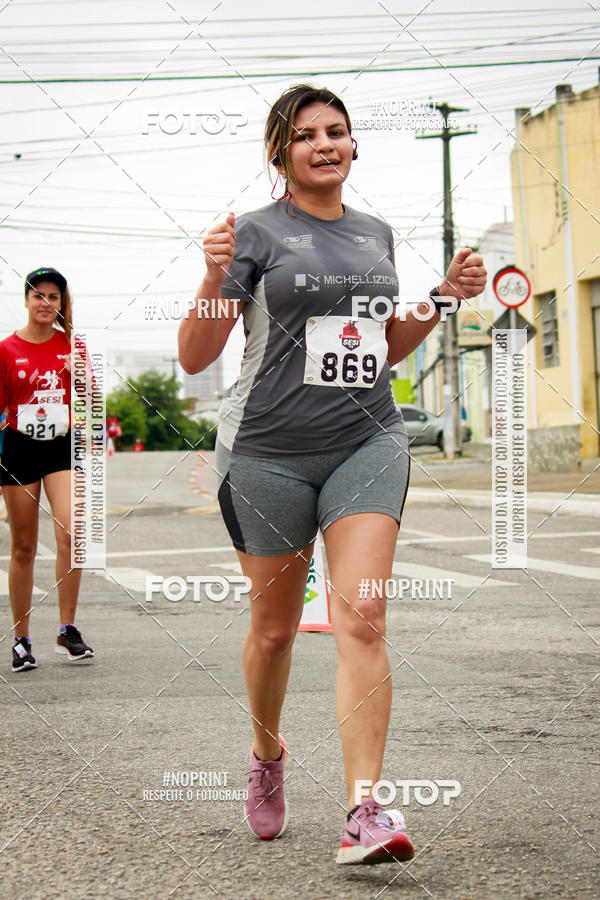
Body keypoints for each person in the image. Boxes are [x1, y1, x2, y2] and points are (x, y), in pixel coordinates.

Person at [178, 84, 486, 864]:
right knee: (274, 632)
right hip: (266, 453)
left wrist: (443, 299)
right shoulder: (251, 233)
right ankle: (267, 753)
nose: (324, 144)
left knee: (364, 616)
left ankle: (364, 812)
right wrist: (213, 278)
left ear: (353, 146)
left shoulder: (375, 234)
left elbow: (379, 346)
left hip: (366, 440)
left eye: (337, 131)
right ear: (279, 153)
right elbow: (194, 355)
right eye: (306, 134)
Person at [0, 267, 94, 672]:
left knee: (73, 533)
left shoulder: (72, 345)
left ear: (61, 303)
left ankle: (67, 630)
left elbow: (92, 402)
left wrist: (81, 377)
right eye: (38, 295)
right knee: (24, 546)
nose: (45, 302)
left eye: (53, 296)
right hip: (18, 447)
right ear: (26, 300)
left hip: (61, 447)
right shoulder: (6, 349)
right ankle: (21, 640)